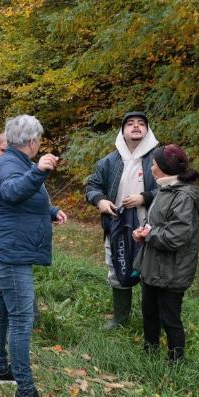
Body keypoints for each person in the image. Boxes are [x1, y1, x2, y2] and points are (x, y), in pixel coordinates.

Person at [0, 115, 67, 397]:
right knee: (22, 317)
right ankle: (25, 391)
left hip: (9, 248)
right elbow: (12, 192)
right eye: (39, 140)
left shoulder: (16, 162)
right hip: (12, 253)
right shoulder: (11, 164)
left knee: (3, 309)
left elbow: (23, 199)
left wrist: (51, 210)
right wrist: (39, 171)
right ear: (32, 142)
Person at [85, 111, 159, 329]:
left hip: (150, 227)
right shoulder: (109, 161)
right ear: (122, 130)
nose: (136, 127)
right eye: (130, 124)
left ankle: (152, 320)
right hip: (116, 225)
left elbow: (171, 189)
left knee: (151, 272)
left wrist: (144, 198)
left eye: (141, 124)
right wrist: (100, 201)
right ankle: (120, 318)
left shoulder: (159, 159)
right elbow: (92, 187)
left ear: (147, 130)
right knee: (117, 268)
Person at [133, 144, 199, 363]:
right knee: (149, 312)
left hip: (173, 270)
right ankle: (149, 353)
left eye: (153, 164)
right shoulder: (165, 190)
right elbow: (156, 222)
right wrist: (143, 230)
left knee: (170, 318)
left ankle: (176, 362)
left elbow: (177, 236)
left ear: (163, 167)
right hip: (152, 265)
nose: (151, 167)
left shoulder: (184, 196)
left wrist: (148, 235)